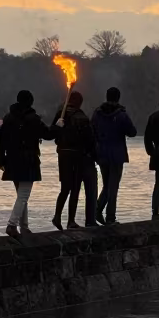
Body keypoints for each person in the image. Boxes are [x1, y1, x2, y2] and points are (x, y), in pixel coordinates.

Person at [0, 90, 57, 238]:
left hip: (11, 160)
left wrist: (1, 160)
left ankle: (24, 227)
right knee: (23, 195)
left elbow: (0, 141)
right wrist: (59, 126)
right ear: (30, 102)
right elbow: (48, 134)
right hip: (28, 160)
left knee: (21, 195)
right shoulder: (33, 119)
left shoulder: (8, 118)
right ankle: (12, 225)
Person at [91, 87, 137, 226]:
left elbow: (91, 130)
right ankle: (110, 217)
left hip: (101, 154)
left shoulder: (97, 113)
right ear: (118, 98)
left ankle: (97, 211)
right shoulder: (121, 115)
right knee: (113, 186)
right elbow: (132, 132)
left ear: (106, 96)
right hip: (117, 154)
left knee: (107, 185)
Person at [53, 91, 99, 229]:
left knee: (65, 188)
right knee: (75, 188)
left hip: (62, 155)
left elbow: (54, 133)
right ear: (80, 103)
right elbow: (90, 140)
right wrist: (94, 156)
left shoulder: (61, 114)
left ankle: (57, 216)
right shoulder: (82, 117)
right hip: (77, 156)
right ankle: (70, 221)